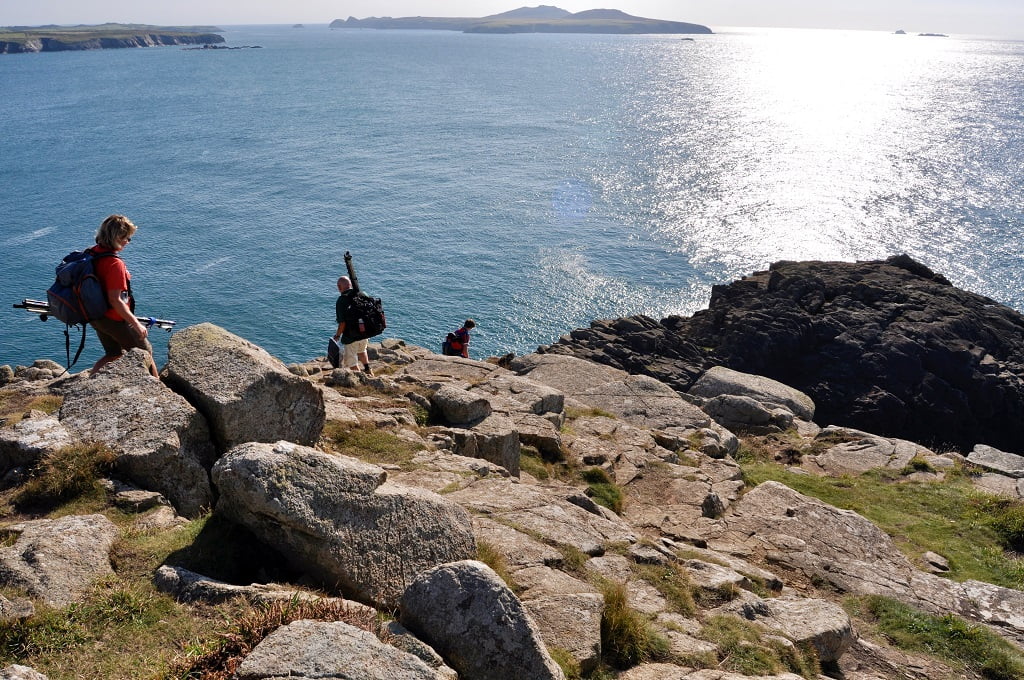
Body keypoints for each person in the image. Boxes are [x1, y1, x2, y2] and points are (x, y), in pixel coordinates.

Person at [88, 214, 159, 378]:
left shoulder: (92, 253)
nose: (127, 241)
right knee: (145, 353)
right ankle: (158, 389)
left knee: (113, 353)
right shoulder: (114, 264)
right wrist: (136, 324)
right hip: (114, 319)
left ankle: (89, 382)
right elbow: (115, 299)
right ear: (115, 237)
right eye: (125, 237)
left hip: (96, 316)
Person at [333, 275, 372, 375]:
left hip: (351, 337)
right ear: (350, 284)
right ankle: (368, 371)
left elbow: (342, 323)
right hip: (364, 333)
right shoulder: (362, 294)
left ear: (339, 287)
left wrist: (337, 335)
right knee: (362, 351)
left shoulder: (341, 300)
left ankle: (361, 380)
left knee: (351, 362)